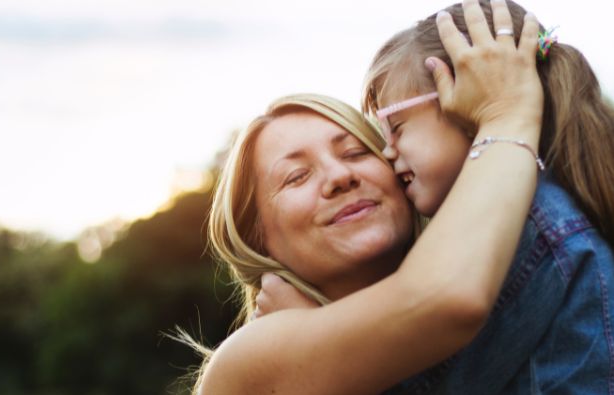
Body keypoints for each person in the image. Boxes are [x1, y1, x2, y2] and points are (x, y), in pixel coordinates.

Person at [190, 1, 546, 393]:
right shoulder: (249, 356)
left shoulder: (512, 291)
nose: (340, 176)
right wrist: (507, 117)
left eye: (356, 153)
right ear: (257, 235)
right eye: (296, 176)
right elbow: (447, 299)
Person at [261, 0, 614, 393]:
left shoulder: (529, 230)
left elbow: (433, 382)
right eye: (296, 176)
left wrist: (312, 344)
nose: (388, 151)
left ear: (470, 103)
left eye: (395, 127)